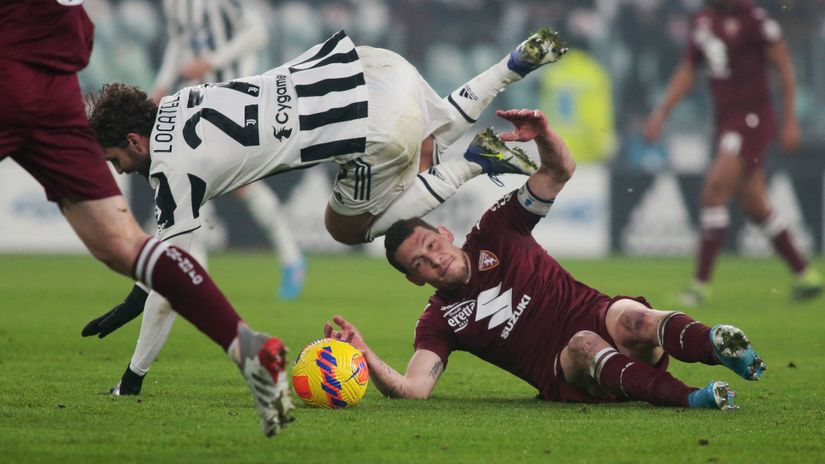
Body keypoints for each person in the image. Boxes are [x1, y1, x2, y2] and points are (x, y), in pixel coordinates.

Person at [81, 29, 569, 396]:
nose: (121, 171)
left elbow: (171, 281)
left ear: (133, 141)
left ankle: (473, 163)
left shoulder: (169, 170)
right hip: (370, 65)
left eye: (116, 160)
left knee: (348, 228)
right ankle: (510, 66)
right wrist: (134, 296)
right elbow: (162, 263)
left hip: (363, 127)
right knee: (432, 127)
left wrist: (133, 378)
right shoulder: (180, 101)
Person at [324, 108, 766, 409]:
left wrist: (545, 136)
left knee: (634, 317)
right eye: (419, 264)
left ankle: (720, 345)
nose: (434, 260)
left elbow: (559, 171)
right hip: (567, 369)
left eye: (430, 246)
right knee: (584, 345)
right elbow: (415, 389)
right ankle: (692, 398)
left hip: (599, 314)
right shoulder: (438, 321)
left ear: (443, 232)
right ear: (414, 280)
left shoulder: (496, 229)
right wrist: (365, 356)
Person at [0, 0, 292, 437]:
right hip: (57, 85)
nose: (119, 169)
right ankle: (243, 344)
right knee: (123, 244)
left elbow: (255, 31)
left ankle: (290, 259)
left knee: (171, 235)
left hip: (9, 64)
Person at [643, 0, 822, 306]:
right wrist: (662, 111)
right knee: (754, 201)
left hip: (752, 118)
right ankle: (805, 274)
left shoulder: (754, 19)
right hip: (727, 121)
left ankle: (699, 285)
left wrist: (790, 120)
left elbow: (783, 66)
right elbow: (688, 70)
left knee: (714, 190)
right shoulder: (702, 22)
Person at [150, 0, 307, 302]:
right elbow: (178, 43)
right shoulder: (175, 4)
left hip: (236, 97)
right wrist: (161, 85)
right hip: (199, 101)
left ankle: (286, 258)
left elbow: (257, 33)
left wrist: (212, 60)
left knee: (221, 181)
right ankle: (287, 258)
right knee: (210, 180)